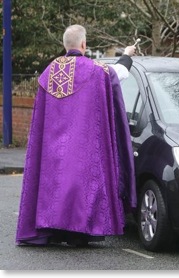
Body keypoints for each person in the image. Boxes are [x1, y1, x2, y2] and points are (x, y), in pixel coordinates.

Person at [16, 24, 137, 246]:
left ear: (64, 45)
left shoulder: (49, 72)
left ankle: (51, 230)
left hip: (51, 145)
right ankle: (78, 233)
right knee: (81, 184)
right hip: (83, 143)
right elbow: (119, 74)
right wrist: (127, 55)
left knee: (52, 182)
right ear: (84, 44)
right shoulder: (95, 70)